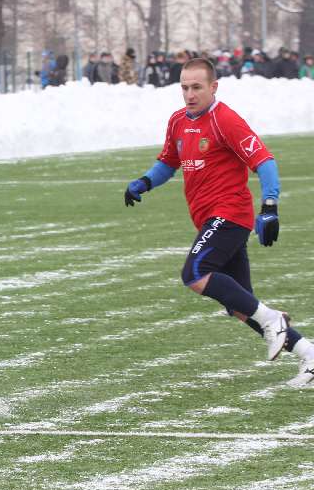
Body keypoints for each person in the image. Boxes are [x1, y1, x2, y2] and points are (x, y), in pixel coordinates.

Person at [124, 57, 314, 387]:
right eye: (184, 87)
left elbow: (264, 161)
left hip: (229, 215)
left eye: (197, 87)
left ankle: (275, 319)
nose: (189, 94)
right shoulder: (177, 121)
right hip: (209, 219)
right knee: (241, 306)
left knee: (195, 273)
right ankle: (309, 354)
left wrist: (270, 206)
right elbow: (168, 161)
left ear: (213, 87)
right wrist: (143, 182)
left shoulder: (225, 120)